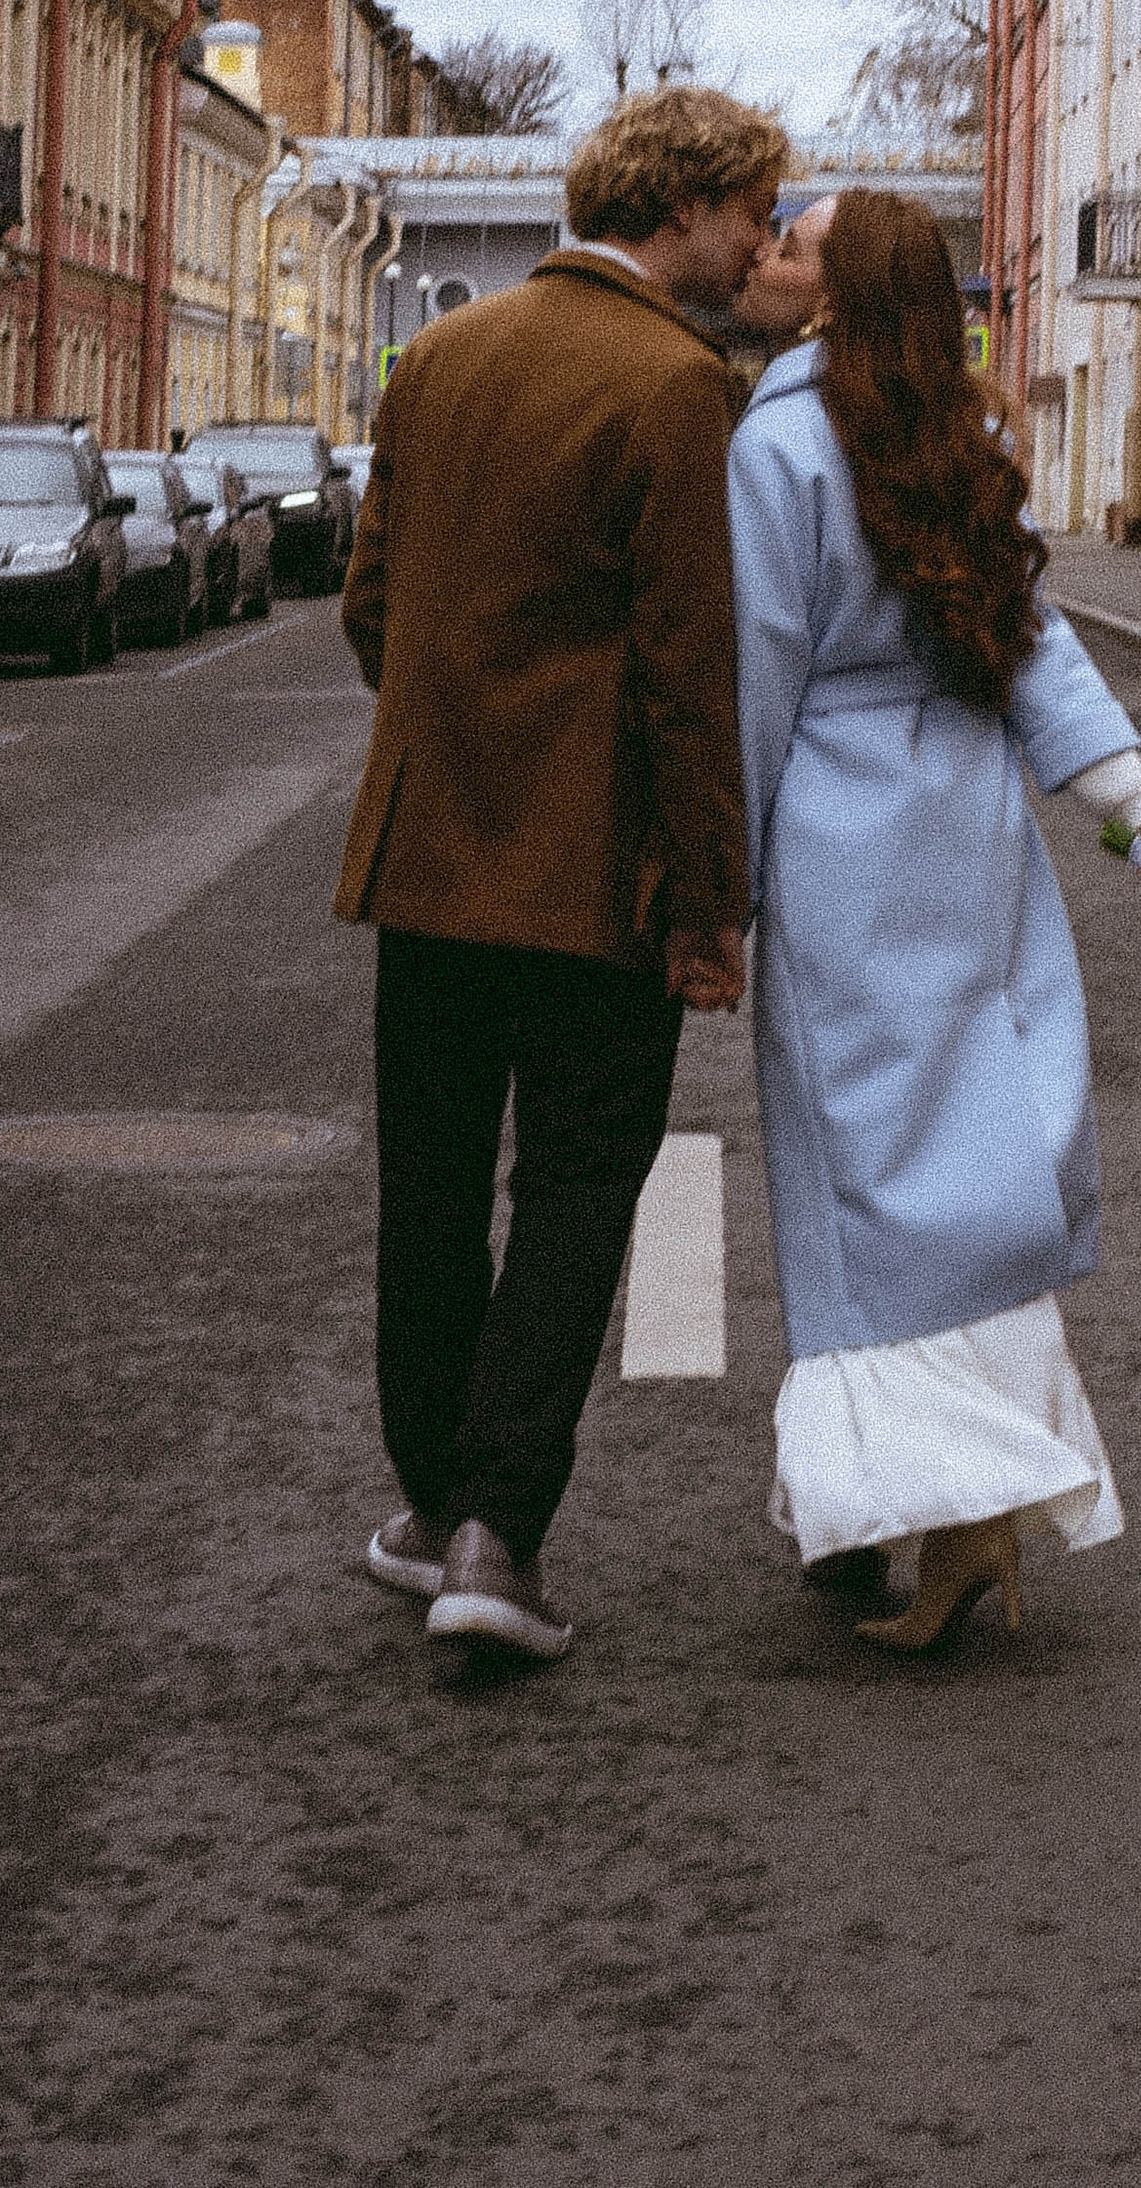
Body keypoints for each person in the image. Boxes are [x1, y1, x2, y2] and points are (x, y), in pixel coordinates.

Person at [337, 84, 794, 1664]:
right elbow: (688, 673)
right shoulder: (675, 383)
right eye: (751, 212)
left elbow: (370, 607)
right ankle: (496, 1530)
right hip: (594, 878)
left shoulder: (444, 355)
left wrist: (453, 736)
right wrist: (712, 906)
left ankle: (426, 1505)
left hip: (424, 858)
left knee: (433, 1189)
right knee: (581, 1193)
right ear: (684, 205)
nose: (757, 244)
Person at [728, 187, 1141, 1654]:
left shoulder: (779, 442)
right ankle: (947, 1510)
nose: (766, 253)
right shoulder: (964, 438)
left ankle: (935, 1506)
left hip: (836, 832)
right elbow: (1033, 636)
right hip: (973, 827)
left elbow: (761, 668)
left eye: (794, 243)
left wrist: (721, 889)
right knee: (973, 1152)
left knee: (858, 1180)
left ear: (835, 297)